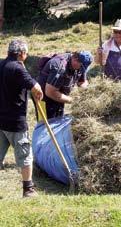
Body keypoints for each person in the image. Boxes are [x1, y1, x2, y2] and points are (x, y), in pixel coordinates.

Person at [0, 39, 43, 197]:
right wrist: (38, 93)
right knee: (25, 156)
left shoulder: (1, 64)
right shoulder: (18, 68)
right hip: (16, 121)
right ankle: (28, 190)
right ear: (21, 54)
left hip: (1, 119)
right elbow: (35, 87)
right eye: (26, 53)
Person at [37, 51, 93, 119]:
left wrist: (87, 94)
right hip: (44, 98)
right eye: (80, 67)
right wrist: (73, 100)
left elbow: (82, 82)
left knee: (58, 120)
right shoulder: (59, 67)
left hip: (59, 95)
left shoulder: (79, 65)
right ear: (75, 59)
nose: (80, 69)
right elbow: (50, 92)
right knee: (45, 125)